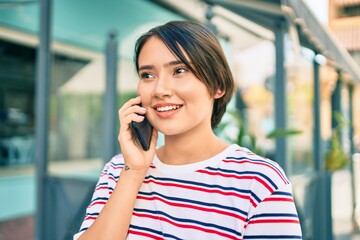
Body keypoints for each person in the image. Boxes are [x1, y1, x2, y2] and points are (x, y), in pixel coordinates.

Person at [74, 20, 302, 240]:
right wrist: (133, 172)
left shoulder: (260, 182)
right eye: (147, 75)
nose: (160, 89)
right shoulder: (118, 170)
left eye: (180, 70)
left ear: (218, 86)